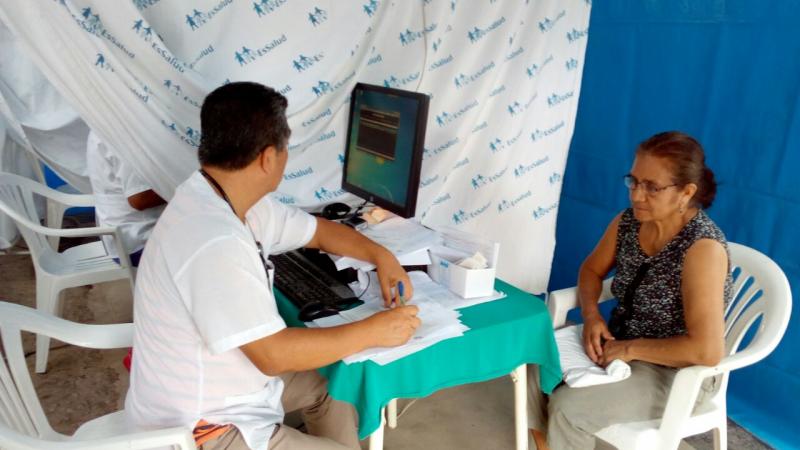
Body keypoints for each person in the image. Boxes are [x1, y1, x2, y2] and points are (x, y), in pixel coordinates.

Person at [124, 82, 421, 450]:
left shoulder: (219, 196)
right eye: (285, 148)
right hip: (203, 428)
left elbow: (319, 232)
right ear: (268, 158)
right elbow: (273, 355)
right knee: (330, 364)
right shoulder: (212, 239)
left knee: (334, 389)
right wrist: (374, 330)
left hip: (230, 388)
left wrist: (381, 256)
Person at [528, 131, 733, 449]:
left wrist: (629, 349)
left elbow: (705, 351)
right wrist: (592, 316)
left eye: (652, 187)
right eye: (633, 182)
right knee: (530, 353)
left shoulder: (701, 249)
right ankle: (548, 443)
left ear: (686, 192)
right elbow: (591, 270)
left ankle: (561, 436)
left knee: (570, 408)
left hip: (675, 373)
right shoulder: (628, 223)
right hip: (617, 348)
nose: (637, 195)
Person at [86, 131, 166, 266]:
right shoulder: (123, 135)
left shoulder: (107, 126)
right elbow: (140, 199)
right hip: (140, 240)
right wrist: (187, 188)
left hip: (128, 233)